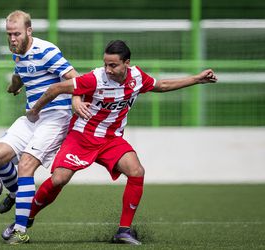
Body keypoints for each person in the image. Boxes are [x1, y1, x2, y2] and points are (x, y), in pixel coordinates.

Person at [24, 40, 218, 245]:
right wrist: (36, 110)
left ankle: (124, 231)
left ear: (127, 63)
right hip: (82, 136)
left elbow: (161, 85)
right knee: (59, 179)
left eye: (113, 65)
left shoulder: (137, 77)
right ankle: (25, 218)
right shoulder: (95, 78)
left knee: (137, 171)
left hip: (111, 139)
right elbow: (55, 88)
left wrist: (196, 79)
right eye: (105, 64)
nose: (108, 69)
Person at [0, 10, 79, 244]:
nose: (12, 39)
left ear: (29, 31)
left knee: (26, 165)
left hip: (56, 117)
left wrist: (77, 100)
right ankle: (16, 194)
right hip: (33, 117)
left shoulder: (47, 50)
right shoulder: (17, 53)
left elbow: (74, 77)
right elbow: (20, 73)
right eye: (9, 34)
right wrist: (14, 86)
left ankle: (20, 229)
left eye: (16, 34)